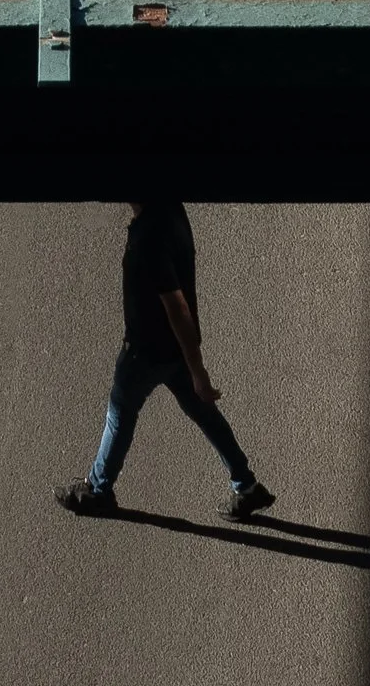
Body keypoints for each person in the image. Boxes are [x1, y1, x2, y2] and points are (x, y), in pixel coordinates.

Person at [55, 201, 274, 519]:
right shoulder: (170, 209)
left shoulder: (149, 238)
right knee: (204, 414)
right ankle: (247, 486)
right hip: (177, 350)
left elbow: (177, 308)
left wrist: (198, 371)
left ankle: (98, 490)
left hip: (145, 352)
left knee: (120, 413)